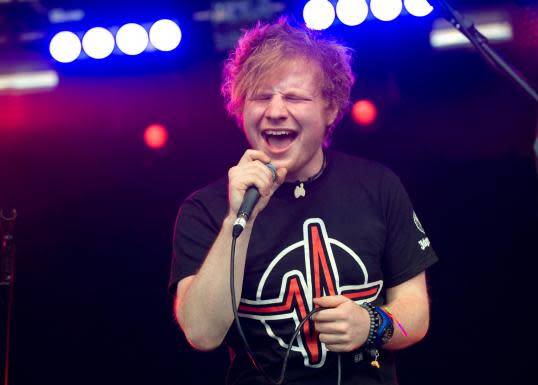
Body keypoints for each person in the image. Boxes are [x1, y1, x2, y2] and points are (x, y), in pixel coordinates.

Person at [169, 17, 438, 385]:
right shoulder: (205, 209)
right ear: (241, 107)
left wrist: (372, 324)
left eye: (294, 97)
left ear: (330, 109)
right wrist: (239, 218)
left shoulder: (377, 185)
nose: (275, 111)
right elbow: (202, 334)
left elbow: (417, 315)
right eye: (261, 97)